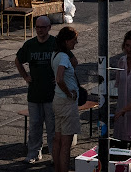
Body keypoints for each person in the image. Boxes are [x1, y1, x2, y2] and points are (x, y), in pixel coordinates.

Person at [15, 16, 57, 164]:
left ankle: (54, 154)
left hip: (51, 93)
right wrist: (25, 76)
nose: (40, 30)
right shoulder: (30, 44)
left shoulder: (55, 43)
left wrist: (60, 77)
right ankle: (33, 153)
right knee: (34, 126)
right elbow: (18, 60)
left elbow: (72, 60)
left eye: (43, 27)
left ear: (49, 28)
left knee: (52, 127)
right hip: (34, 93)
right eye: (38, 27)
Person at [51, 26, 80, 172]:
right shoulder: (63, 57)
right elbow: (59, 78)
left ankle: (58, 168)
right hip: (66, 102)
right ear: (67, 40)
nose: (76, 43)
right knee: (66, 142)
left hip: (58, 100)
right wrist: (69, 93)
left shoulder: (56, 54)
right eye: (74, 40)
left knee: (58, 138)